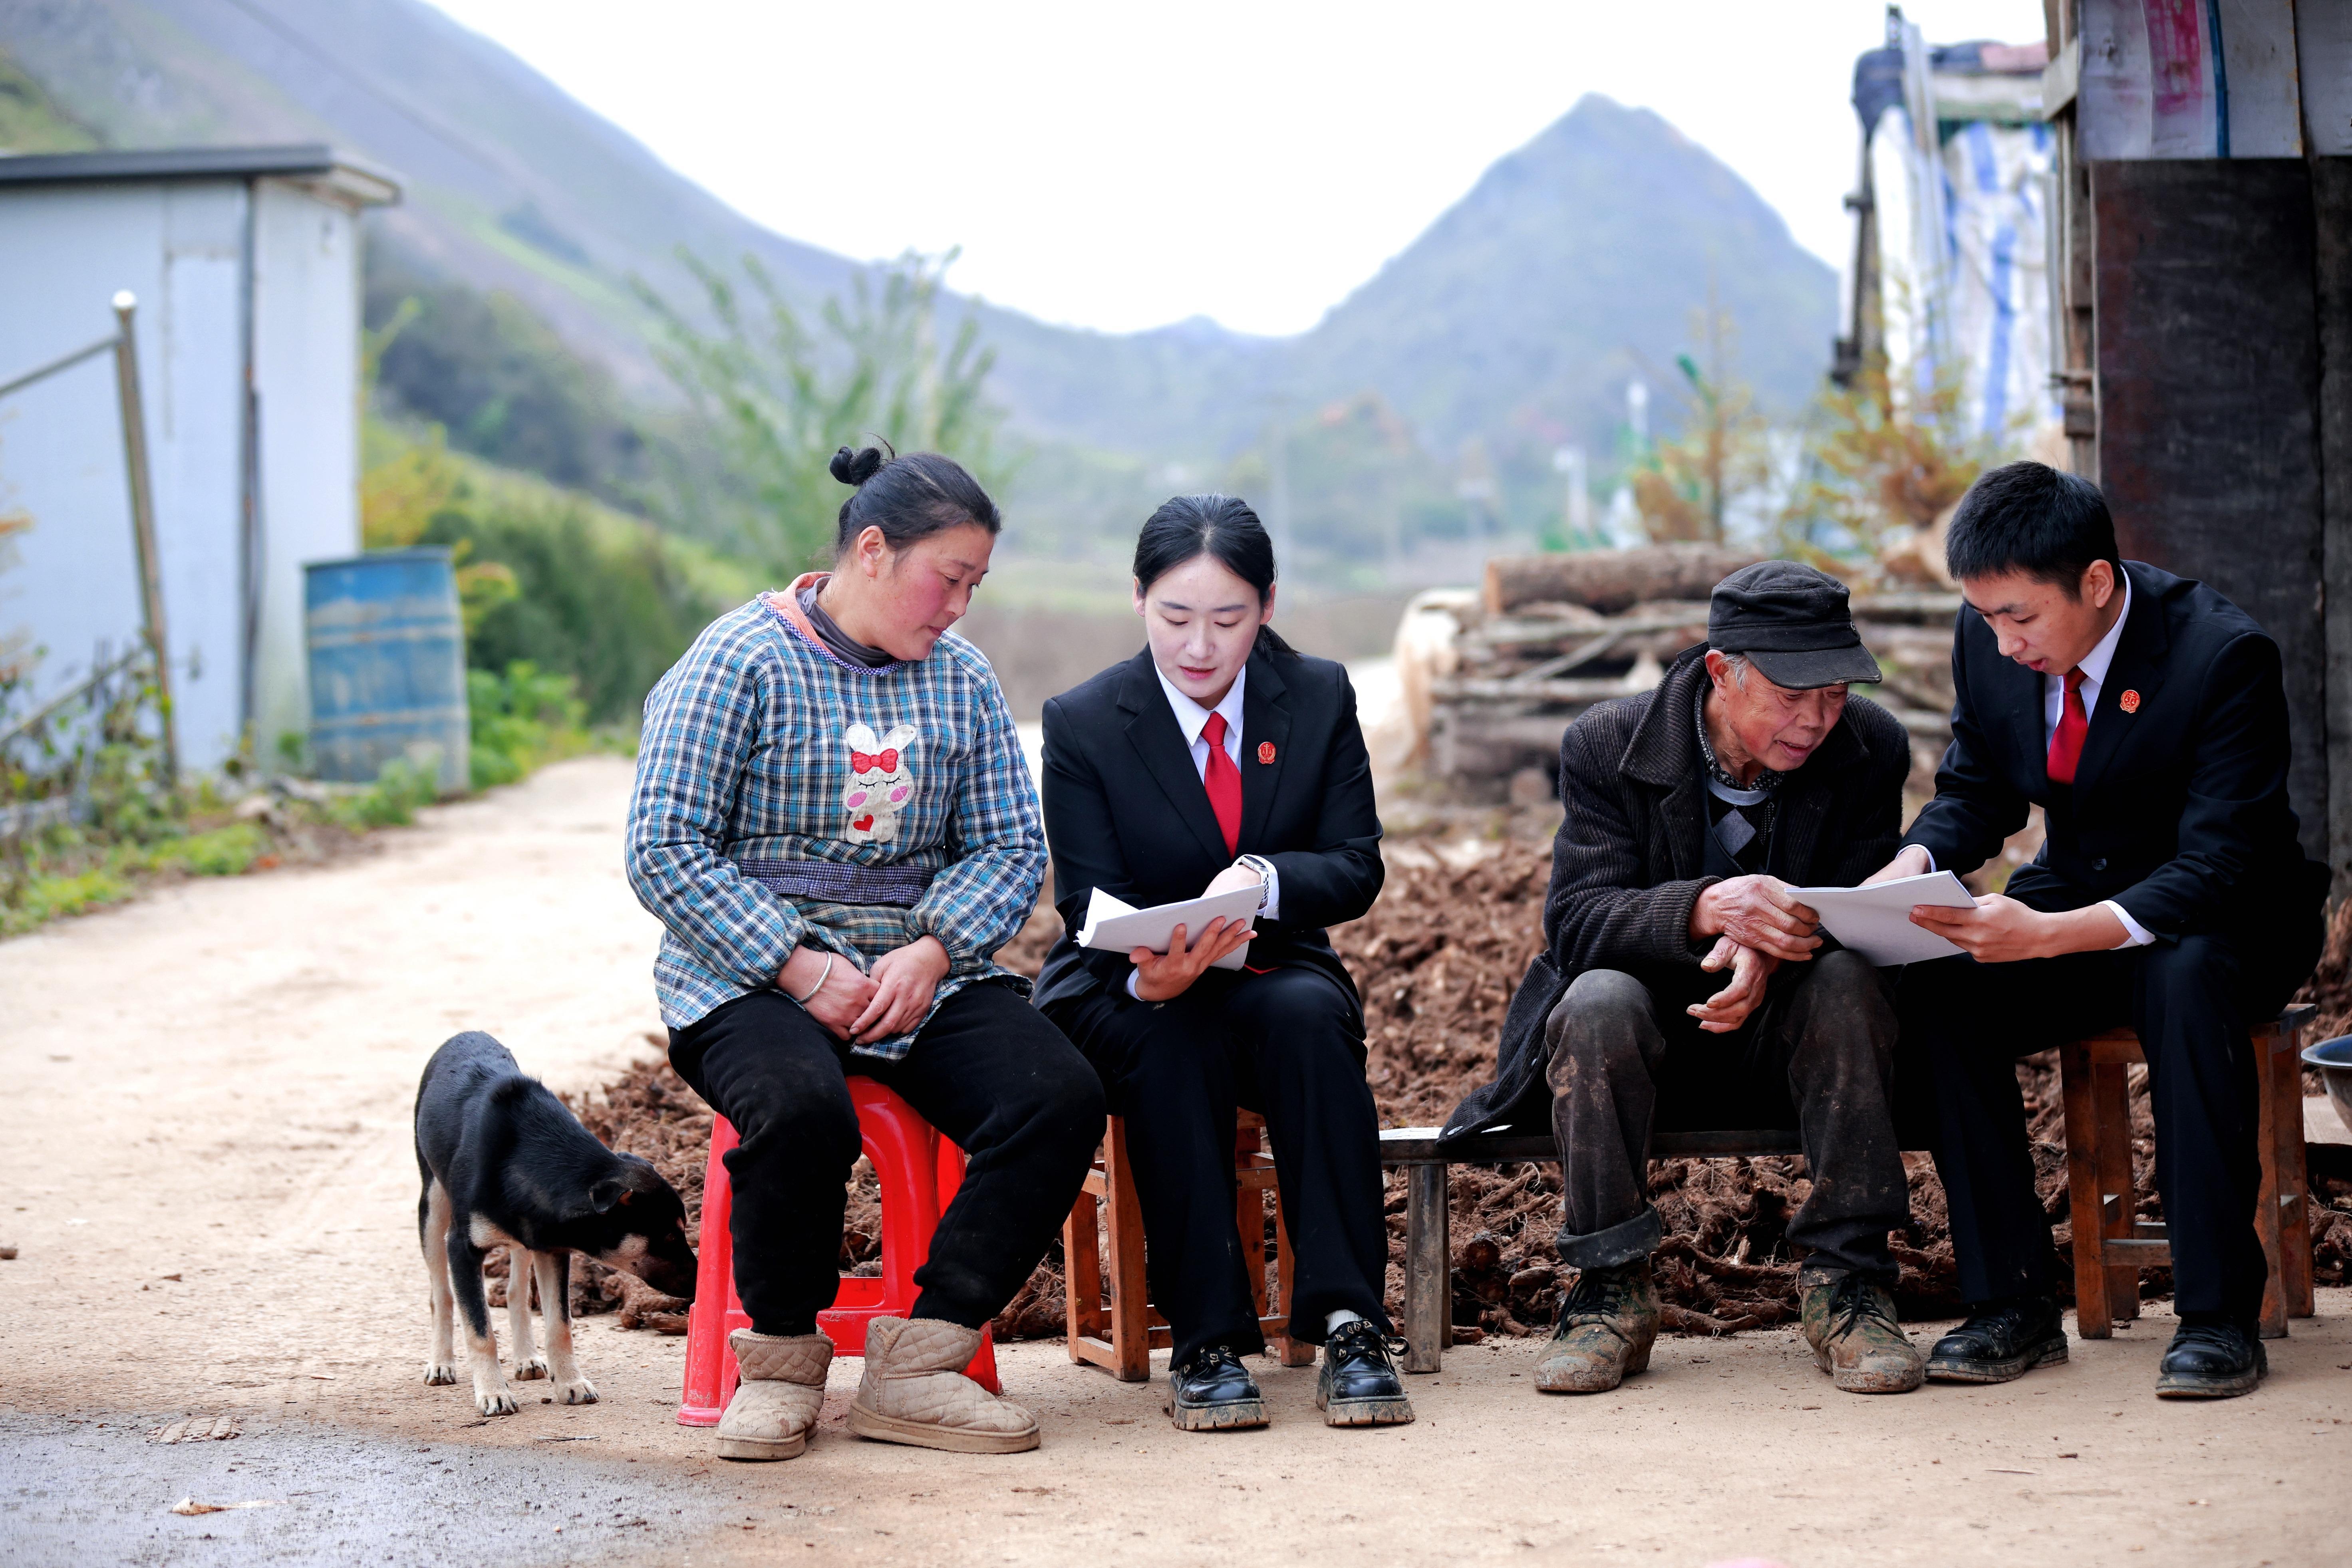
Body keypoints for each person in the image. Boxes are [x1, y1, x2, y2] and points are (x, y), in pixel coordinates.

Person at [626, 443, 1104, 1462]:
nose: (959, 608)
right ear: (876, 551)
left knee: (1055, 1094)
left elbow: (1010, 846)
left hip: (917, 975)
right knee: (800, 1110)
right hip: (748, 981)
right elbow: (663, 845)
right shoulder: (735, 661)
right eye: (950, 578)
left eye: (976, 586)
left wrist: (934, 952)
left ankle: (922, 1363)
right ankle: (784, 1363)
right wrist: (800, 965)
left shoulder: (963, 683)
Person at [1874, 461, 2326, 1399]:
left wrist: (2049, 933)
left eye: (2020, 618)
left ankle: (2214, 1318)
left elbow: (2216, 865)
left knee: (2181, 979)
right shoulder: (1991, 633)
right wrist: (1904, 872)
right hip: (2077, 891)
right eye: (1987, 617)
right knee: (1943, 989)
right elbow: (1975, 790)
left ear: (2093, 581)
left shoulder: (2221, 655)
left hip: (2230, 916)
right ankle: (2012, 1305)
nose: (2002, 643)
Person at [1444, 562, 1925, 1396]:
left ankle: (1849, 1283)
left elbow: (1855, 905)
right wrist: (1708, 906)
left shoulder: (1866, 746)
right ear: (1720, 672)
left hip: (1790, 1043)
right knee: (1593, 998)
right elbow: (1577, 919)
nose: (1815, 720)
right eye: (1789, 695)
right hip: (1647, 1045)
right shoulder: (1607, 743)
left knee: (1849, 981)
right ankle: (1611, 1289)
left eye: (1835, 694)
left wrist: (1772, 944)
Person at [1034, 495, 1408, 1433]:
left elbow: (1355, 863)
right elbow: (1086, 900)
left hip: (1270, 958)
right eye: (1175, 617)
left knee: (1310, 1025)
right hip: (1124, 980)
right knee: (1173, 1041)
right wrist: (1144, 974)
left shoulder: (1317, 695)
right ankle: (1205, 1338)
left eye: (1228, 619)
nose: (1199, 646)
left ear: (1268, 607)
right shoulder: (1084, 722)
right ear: (1137, 600)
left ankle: (1350, 1320)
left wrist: (1266, 879)